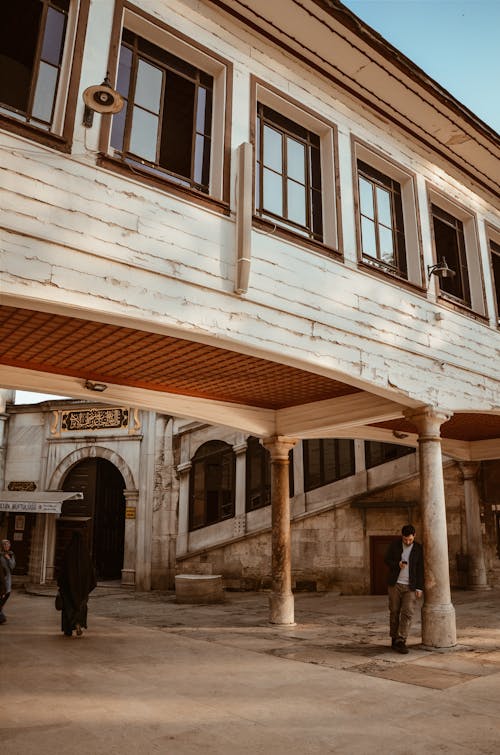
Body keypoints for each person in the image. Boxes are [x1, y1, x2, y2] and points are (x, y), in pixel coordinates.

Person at [384, 524, 424, 654]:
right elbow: (386, 559)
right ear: (402, 536)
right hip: (395, 584)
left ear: (414, 536)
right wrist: (397, 564)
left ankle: (401, 639)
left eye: (410, 540)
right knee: (394, 611)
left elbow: (420, 569)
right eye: (405, 539)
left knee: (408, 612)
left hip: (410, 586)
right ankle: (394, 638)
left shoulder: (418, 548)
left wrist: (419, 587)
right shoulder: (394, 545)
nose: (407, 542)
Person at [57, 530, 97, 637]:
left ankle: (68, 629)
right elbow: (90, 572)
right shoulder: (85, 554)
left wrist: (61, 584)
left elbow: (62, 570)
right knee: (80, 607)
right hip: (82, 589)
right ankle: (78, 623)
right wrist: (86, 585)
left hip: (68, 589)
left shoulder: (68, 551)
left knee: (68, 608)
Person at [0, 538, 16, 624]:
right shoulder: (0, 555)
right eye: (5, 545)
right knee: (1, 594)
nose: (7, 546)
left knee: (7, 593)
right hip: (0, 577)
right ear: (2, 546)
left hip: (8, 578)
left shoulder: (11, 554)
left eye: (8, 545)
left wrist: (8, 558)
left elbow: (13, 566)